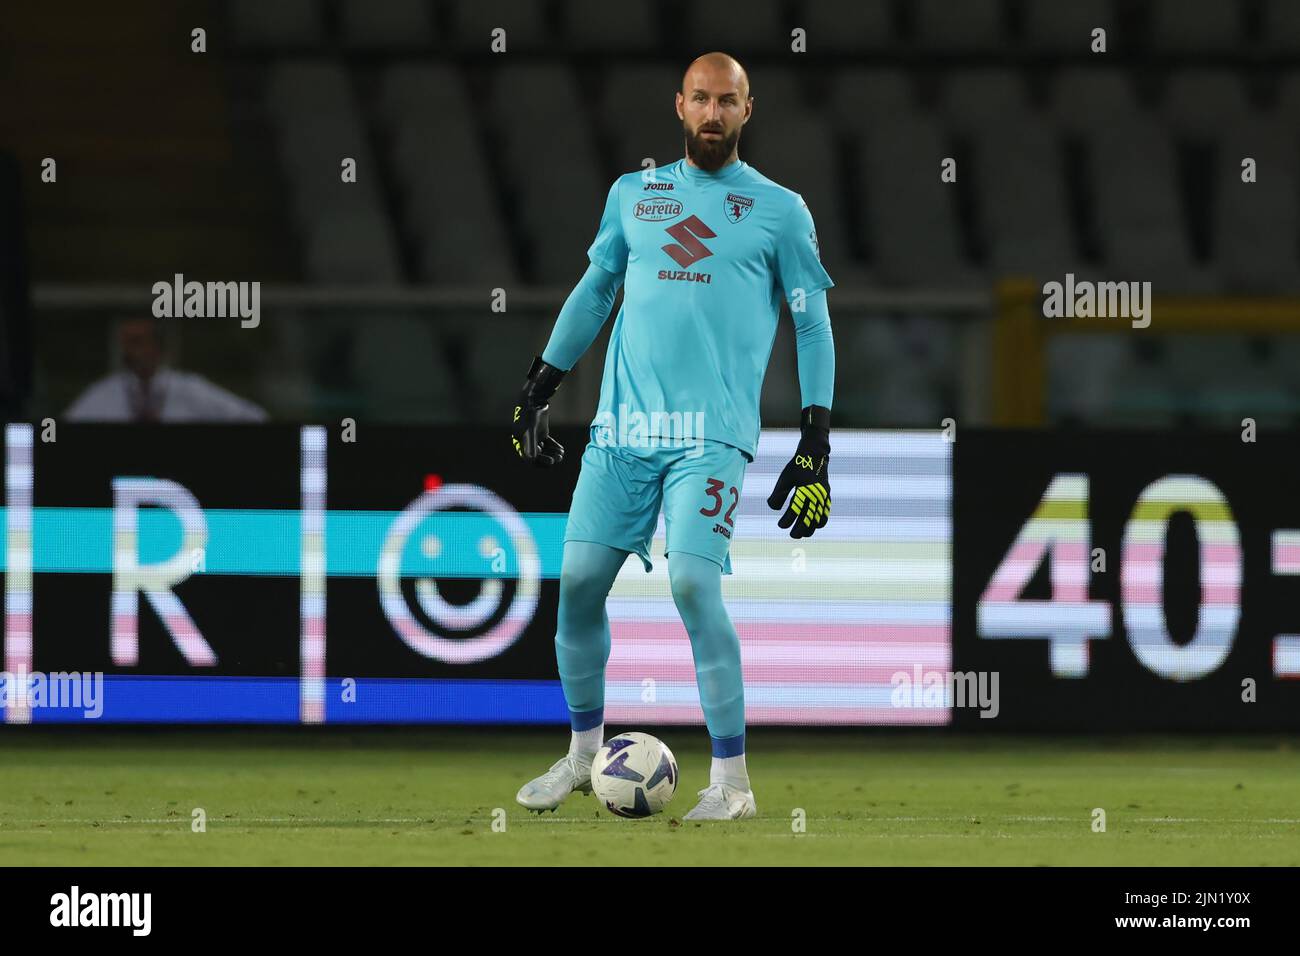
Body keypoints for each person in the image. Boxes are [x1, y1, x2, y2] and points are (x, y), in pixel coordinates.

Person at [512, 53, 836, 820]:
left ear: (748, 110)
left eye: (728, 101)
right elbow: (596, 291)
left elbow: (812, 320)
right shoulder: (635, 194)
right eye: (701, 99)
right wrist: (538, 387)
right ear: (680, 107)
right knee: (580, 587)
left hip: (711, 435)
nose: (713, 114)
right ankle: (583, 755)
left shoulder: (781, 210)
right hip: (624, 429)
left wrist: (815, 442)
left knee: (694, 583)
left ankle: (733, 783)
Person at [64, 316, 267, 423]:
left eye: (137, 342)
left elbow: (255, 418)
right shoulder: (104, 393)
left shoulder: (191, 390)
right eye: (125, 344)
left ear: (157, 346)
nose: (129, 352)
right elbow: (59, 431)